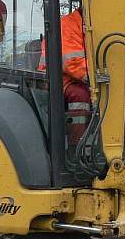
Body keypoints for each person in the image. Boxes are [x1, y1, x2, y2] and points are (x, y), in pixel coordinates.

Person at [38, 8, 91, 148]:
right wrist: (102, 73)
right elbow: (73, 63)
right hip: (56, 78)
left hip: (75, 77)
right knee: (80, 96)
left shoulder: (92, 25)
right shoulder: (68, 25)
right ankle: (76, 148)